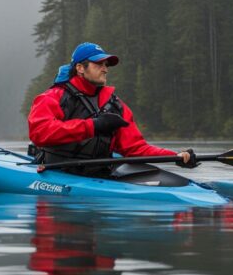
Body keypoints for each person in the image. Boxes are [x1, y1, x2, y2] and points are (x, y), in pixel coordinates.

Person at [28, 42, 197, 176]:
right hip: (56, 171)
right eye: (98, 64)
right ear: (80, 68)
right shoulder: (53, 97)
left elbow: (135, 148)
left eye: (106, 64)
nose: (105, 68)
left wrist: (175, 156)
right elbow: (39, 133)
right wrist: (92, 126)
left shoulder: (116, 106)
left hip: (98, 175)